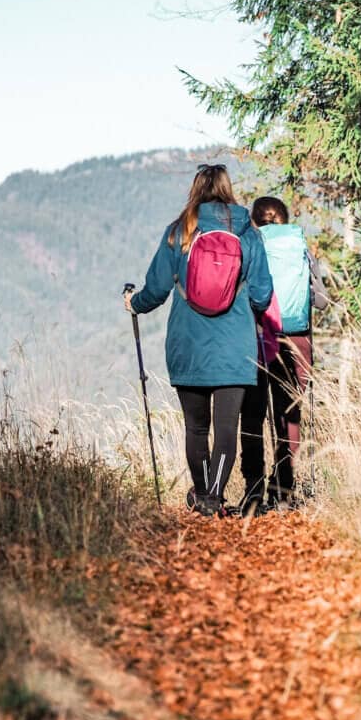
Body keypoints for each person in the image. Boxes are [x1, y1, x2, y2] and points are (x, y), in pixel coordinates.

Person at [124, 164, 272, 517]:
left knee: (196, 427)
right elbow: (263, 296)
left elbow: (157, 290)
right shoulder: (249, 234)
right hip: (235, 347)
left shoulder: (180, 232)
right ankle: (214, 496)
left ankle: (203, 495)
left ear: (195, 191)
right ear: (228, 190)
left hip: (187, 344)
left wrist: (134, 303)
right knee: (226, 430)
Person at [239, 196, 327, 514]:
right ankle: (284, 490)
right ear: (286, 219)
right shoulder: (300, 247)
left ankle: (253, 489)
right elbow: (321, 301)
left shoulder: (248, 245)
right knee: (288, 415)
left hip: (259, 336)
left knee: (253, 411)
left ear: (254, 220)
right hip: (297, 340)